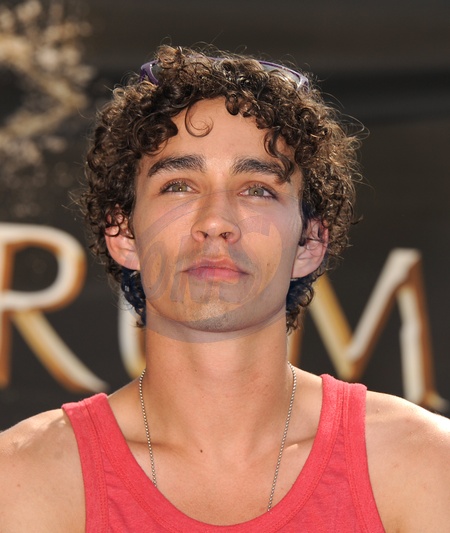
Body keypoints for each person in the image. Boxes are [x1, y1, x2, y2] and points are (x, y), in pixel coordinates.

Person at [0, 45, 449, 532]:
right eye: (179, 185)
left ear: (309, 242)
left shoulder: (423, 463)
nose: (216, 221)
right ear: (123, 234)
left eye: (257, 189)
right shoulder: (25, 476)